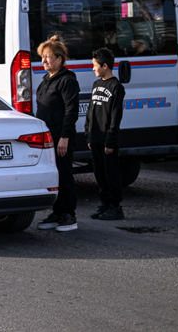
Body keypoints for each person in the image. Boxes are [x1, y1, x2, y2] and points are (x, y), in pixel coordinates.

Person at [34, 36, 81, 232]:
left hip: (61, 137)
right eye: (43, 57)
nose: (44, 61)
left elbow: (72, 111)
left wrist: (64, 137)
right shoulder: (46, 80)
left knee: (65, 174)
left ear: (60, 59)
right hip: (48, 138)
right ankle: (57, 212)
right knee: (54, 176)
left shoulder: (67, 81)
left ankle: (69, 215)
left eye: (49, 57)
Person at [85, 48, 126, 221]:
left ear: (105, 66)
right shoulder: (96, 85)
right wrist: (88, 134)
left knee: (111, 174)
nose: (93, 68)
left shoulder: (116, 87)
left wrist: (110, 141)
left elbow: (116, 117)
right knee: (99, 173)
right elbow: (90, 112)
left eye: (95, 65)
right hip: (95, 137)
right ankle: (105, 204)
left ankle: (115, 207)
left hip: (108, 140)